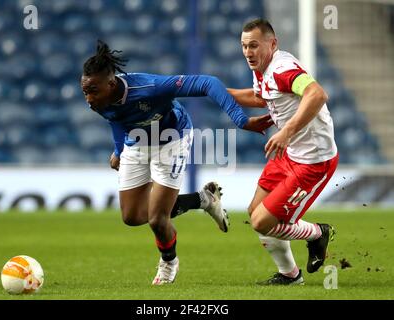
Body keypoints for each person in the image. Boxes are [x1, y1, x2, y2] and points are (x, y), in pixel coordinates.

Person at [81, 40, 272, 285]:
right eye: (84, 91)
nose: (88, 98)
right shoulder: (99, 100)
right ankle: (202, 199)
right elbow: (116, 118)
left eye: (92, 91)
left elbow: (208, 83)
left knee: (157, 220)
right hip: (136, 144)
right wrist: (119, 150)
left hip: (172, 139)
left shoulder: (151, 88)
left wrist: (240, 119)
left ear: (111, 83)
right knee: (132, 216)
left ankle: (168, 263)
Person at [229, 19, 339, 285]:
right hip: (289, 154)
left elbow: (317, 94)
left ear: (272, 43)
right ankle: (290, 275)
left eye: (253, 45)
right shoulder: (262, 69)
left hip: (313, 160)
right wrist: (216, 92)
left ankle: (317, 233)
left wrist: (286, 131)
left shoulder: (282, 68)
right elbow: (261, 97)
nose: (248, 52)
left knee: (261, 222)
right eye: (244, 46)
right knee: (255, 210)